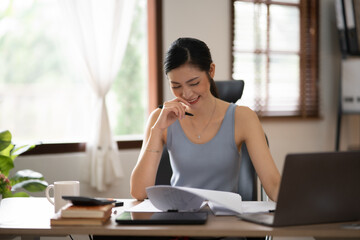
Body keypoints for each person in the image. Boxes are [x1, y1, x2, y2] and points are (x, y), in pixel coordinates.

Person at [130, 37, 280, 202]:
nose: (186, 94)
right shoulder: (160, 119)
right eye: (176, 86)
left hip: (225, 220)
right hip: (179, 220)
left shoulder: (243, 118)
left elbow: (273, 185)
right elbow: (139, 192)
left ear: (211, 71)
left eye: (194, 83)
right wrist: (157, 130)